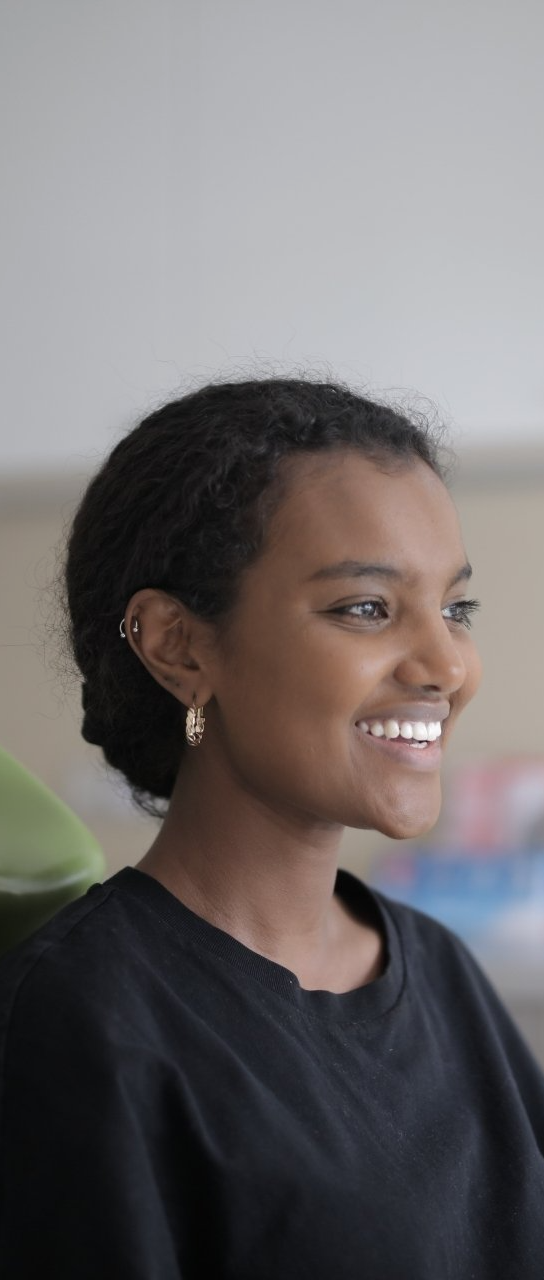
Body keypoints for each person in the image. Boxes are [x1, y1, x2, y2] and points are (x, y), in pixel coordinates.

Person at [0, 377, 543, 1280]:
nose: (448, 663)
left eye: (455, 608)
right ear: (178, 646)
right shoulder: (82, 1024)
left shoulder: (437, 969)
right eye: (365, 607)